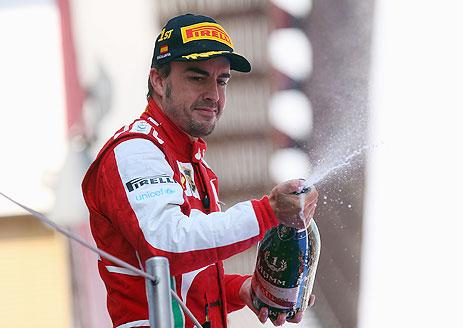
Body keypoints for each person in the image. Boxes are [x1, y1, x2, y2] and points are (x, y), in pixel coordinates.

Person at [82, 13, 318, 328]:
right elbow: (166, 247)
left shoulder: (193, 161)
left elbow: (187, 275)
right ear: (158, 80)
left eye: (221, 80)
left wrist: (242, 289)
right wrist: (267, 212)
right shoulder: (135, 149)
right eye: (197, 77)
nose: (213, 93)